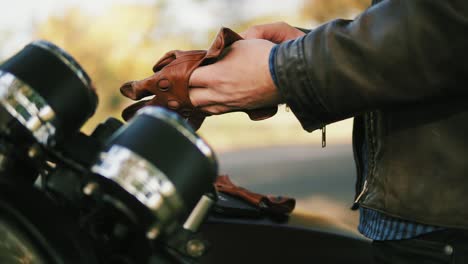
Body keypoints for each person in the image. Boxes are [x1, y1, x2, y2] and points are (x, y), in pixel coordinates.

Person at [187, 0, 468, 263]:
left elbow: (447, 21)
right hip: (420, 227)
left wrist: (285, 66)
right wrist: (301, 50)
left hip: (446, 233)